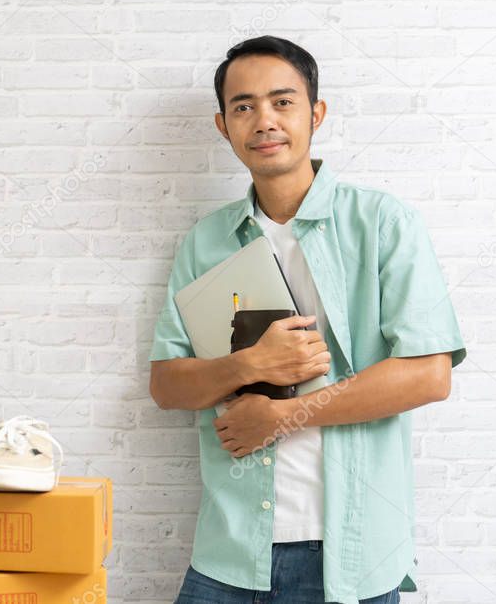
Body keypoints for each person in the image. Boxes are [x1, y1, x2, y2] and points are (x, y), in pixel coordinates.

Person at [149, 35, 466, 604]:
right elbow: (168, 383)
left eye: (282, 101)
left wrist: (283, 416)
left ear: (316, 113)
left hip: (349, 555)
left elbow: (428, 375)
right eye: (243, 106)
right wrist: (250, 363)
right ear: (224, 126)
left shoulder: (383, 223)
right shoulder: (206, 241)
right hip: (229, 550)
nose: (264, 120)